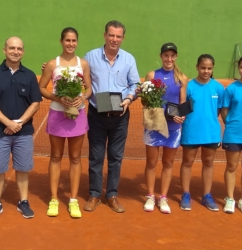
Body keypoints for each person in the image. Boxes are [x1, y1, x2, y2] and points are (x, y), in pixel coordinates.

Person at [0, 36, 42, 221]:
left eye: (19, 49)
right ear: (4, 50)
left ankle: (23, 201)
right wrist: (8, 123)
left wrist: (19, 123)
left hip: (23, 133)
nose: (15, 51)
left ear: (23, 52)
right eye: (12, 48)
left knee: (23, 168)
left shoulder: (30, 75)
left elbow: (36, 103)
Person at [83, 20, 140, 213]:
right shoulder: (90, 57)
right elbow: (78, 76)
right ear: (105, 35)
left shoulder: (129, 59)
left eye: (118, 36)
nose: (114, 39)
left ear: (123, 38)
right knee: (96, 156)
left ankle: (112, 195)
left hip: (120, 116)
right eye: (111, 35)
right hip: (96, 114)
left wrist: (129, 99)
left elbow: (135, 85)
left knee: (115, 157)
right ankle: (94, 194)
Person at [39, 27, 92, 218]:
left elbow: (89, 88)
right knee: (55, 157)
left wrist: (82, 98)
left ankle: (73, 200)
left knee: (76, 158)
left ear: (77, 42)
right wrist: (58, 99)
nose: (71, 44)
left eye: (74, 40)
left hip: (78, 116)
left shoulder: (83, 64)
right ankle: (54, 199)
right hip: (57, 115)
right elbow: (41, 88)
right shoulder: (53, 64)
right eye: (67, 40)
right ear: (61, 41)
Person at [143, 43, 188, 214]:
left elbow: (182, 103)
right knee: (151, 163)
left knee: (168, 163)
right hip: (154, 126)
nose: (169, 59)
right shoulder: (152, 75)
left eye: (172, 56)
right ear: (161, 56)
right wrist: (153, 107)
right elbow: (145, 101)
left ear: (176, 57)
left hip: (173, 127)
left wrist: (181, 116)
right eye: (166, 55)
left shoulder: (181, 78)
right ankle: (150, 196)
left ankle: (163, 197)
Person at [179, 54, 224, 212]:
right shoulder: (189, 86)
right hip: (191, 131)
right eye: (203, 67)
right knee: (187, 162)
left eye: (209, 68)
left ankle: (206, 195)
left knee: (208, 163)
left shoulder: (218, 88)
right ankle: (185, 194)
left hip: (211, 132)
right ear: (197, 67)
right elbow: (183, 107)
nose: (206, 71)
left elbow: (218, 110)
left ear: (212, 69)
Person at [221, 55, 242, 214]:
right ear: (238, 68)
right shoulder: (231, 88)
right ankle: (230, 199)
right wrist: (230, 124)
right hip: (234, 134)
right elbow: (224, 110)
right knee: (232, 166)